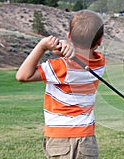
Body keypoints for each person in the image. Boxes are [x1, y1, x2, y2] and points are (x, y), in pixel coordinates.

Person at [16, 10, 106, 159]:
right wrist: (65, 48)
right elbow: (82, 56)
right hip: (87, 139)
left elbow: (22, 75)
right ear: (100, 41)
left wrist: (42, 46)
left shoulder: (60, 67)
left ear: (69, 35)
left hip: (60, 139)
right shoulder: (100, 62)